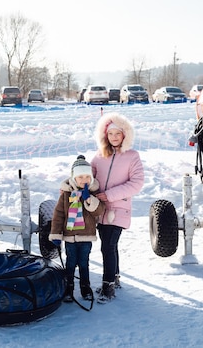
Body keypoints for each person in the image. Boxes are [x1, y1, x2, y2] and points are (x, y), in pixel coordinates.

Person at [91, 112, 144, 303]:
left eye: (118, 133)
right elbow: (91, 178)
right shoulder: (98, 156)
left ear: (125, 135)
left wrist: (110, 195)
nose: (114, 137)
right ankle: (115, 277)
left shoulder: (132, 156)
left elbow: (136, 183)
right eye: (110, 133)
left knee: (108, 246)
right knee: (109, 245)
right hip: (99, 209)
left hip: (118, 209)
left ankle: (108, 287)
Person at [49, 155, 105, 303]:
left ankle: (86, 289)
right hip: (70, 237)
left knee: (84, 264)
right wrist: (55, 233)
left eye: (87, 176)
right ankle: (68, 289)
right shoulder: (66, 194)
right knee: (70, 264)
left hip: (86, 237)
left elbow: (99, 211)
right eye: (80, 177)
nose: (84, 180)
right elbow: (59, 215)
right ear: (74, 178)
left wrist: (88, 200)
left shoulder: (93, 193)